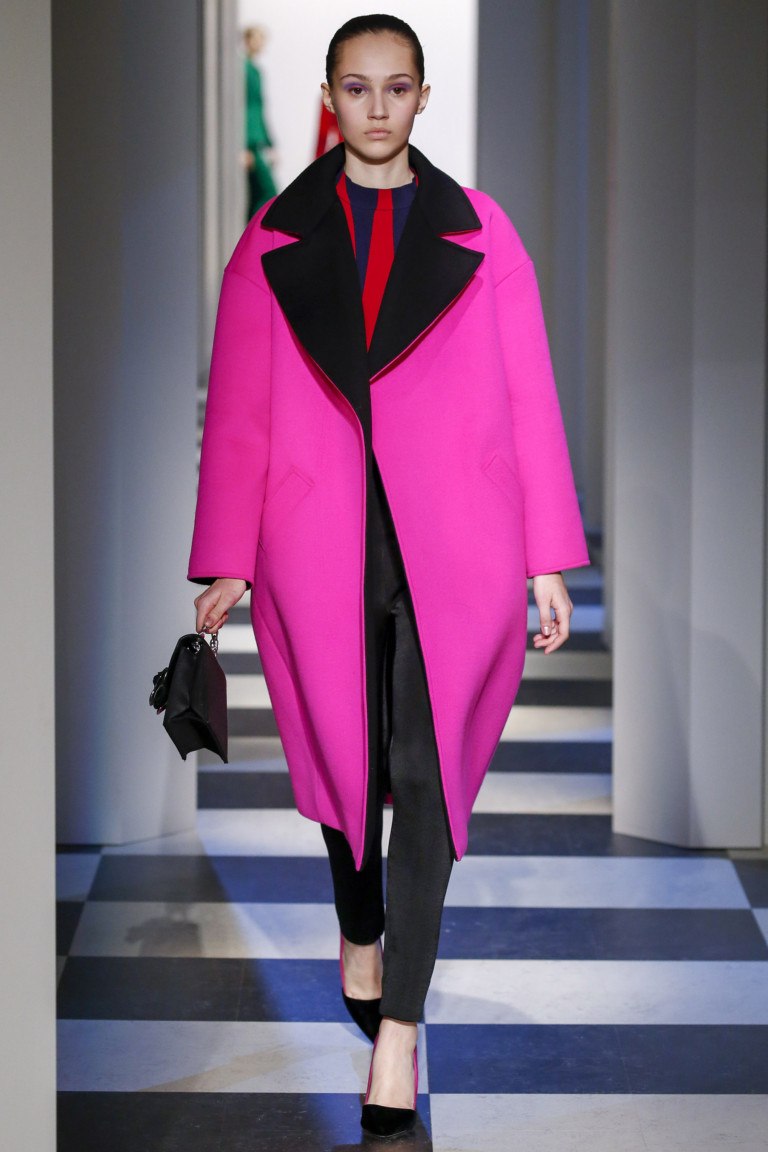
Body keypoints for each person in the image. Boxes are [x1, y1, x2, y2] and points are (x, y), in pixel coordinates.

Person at [189, 14, 589, 1140]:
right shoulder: (273, 237)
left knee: (426, 769)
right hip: (316, 532)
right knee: (342, 750)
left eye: (396, 86)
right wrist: (225, 556)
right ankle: (359, 920)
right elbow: (242, 405)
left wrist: (547, 556)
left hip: (454, 535)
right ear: (330, 95)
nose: (377, 107)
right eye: (357, 87)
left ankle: (399, 1030)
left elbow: (529, 392)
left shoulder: (482, 232)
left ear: (422, 97)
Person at [242, 25, 277, 219]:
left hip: (257, 138)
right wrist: (243, 146)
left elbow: (259, 108)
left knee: (257, 194)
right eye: (257, 38)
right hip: (250, 140)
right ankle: (255, 233)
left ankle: (249, 234)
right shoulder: (244, 69)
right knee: (267, 191)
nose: (261, 43)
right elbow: (243, 107)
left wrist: (270, 144)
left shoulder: (255, 71)